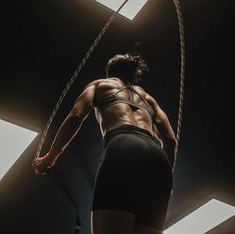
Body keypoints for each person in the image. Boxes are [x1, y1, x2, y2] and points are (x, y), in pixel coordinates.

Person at [33, 53, 178, 234]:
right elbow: (170, 140)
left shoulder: (100, 84)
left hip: (123, 146)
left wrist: (49, 158)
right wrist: (164, 180)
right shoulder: (148, 99)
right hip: (158, 161)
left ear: (109, 73)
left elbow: (75, 117)